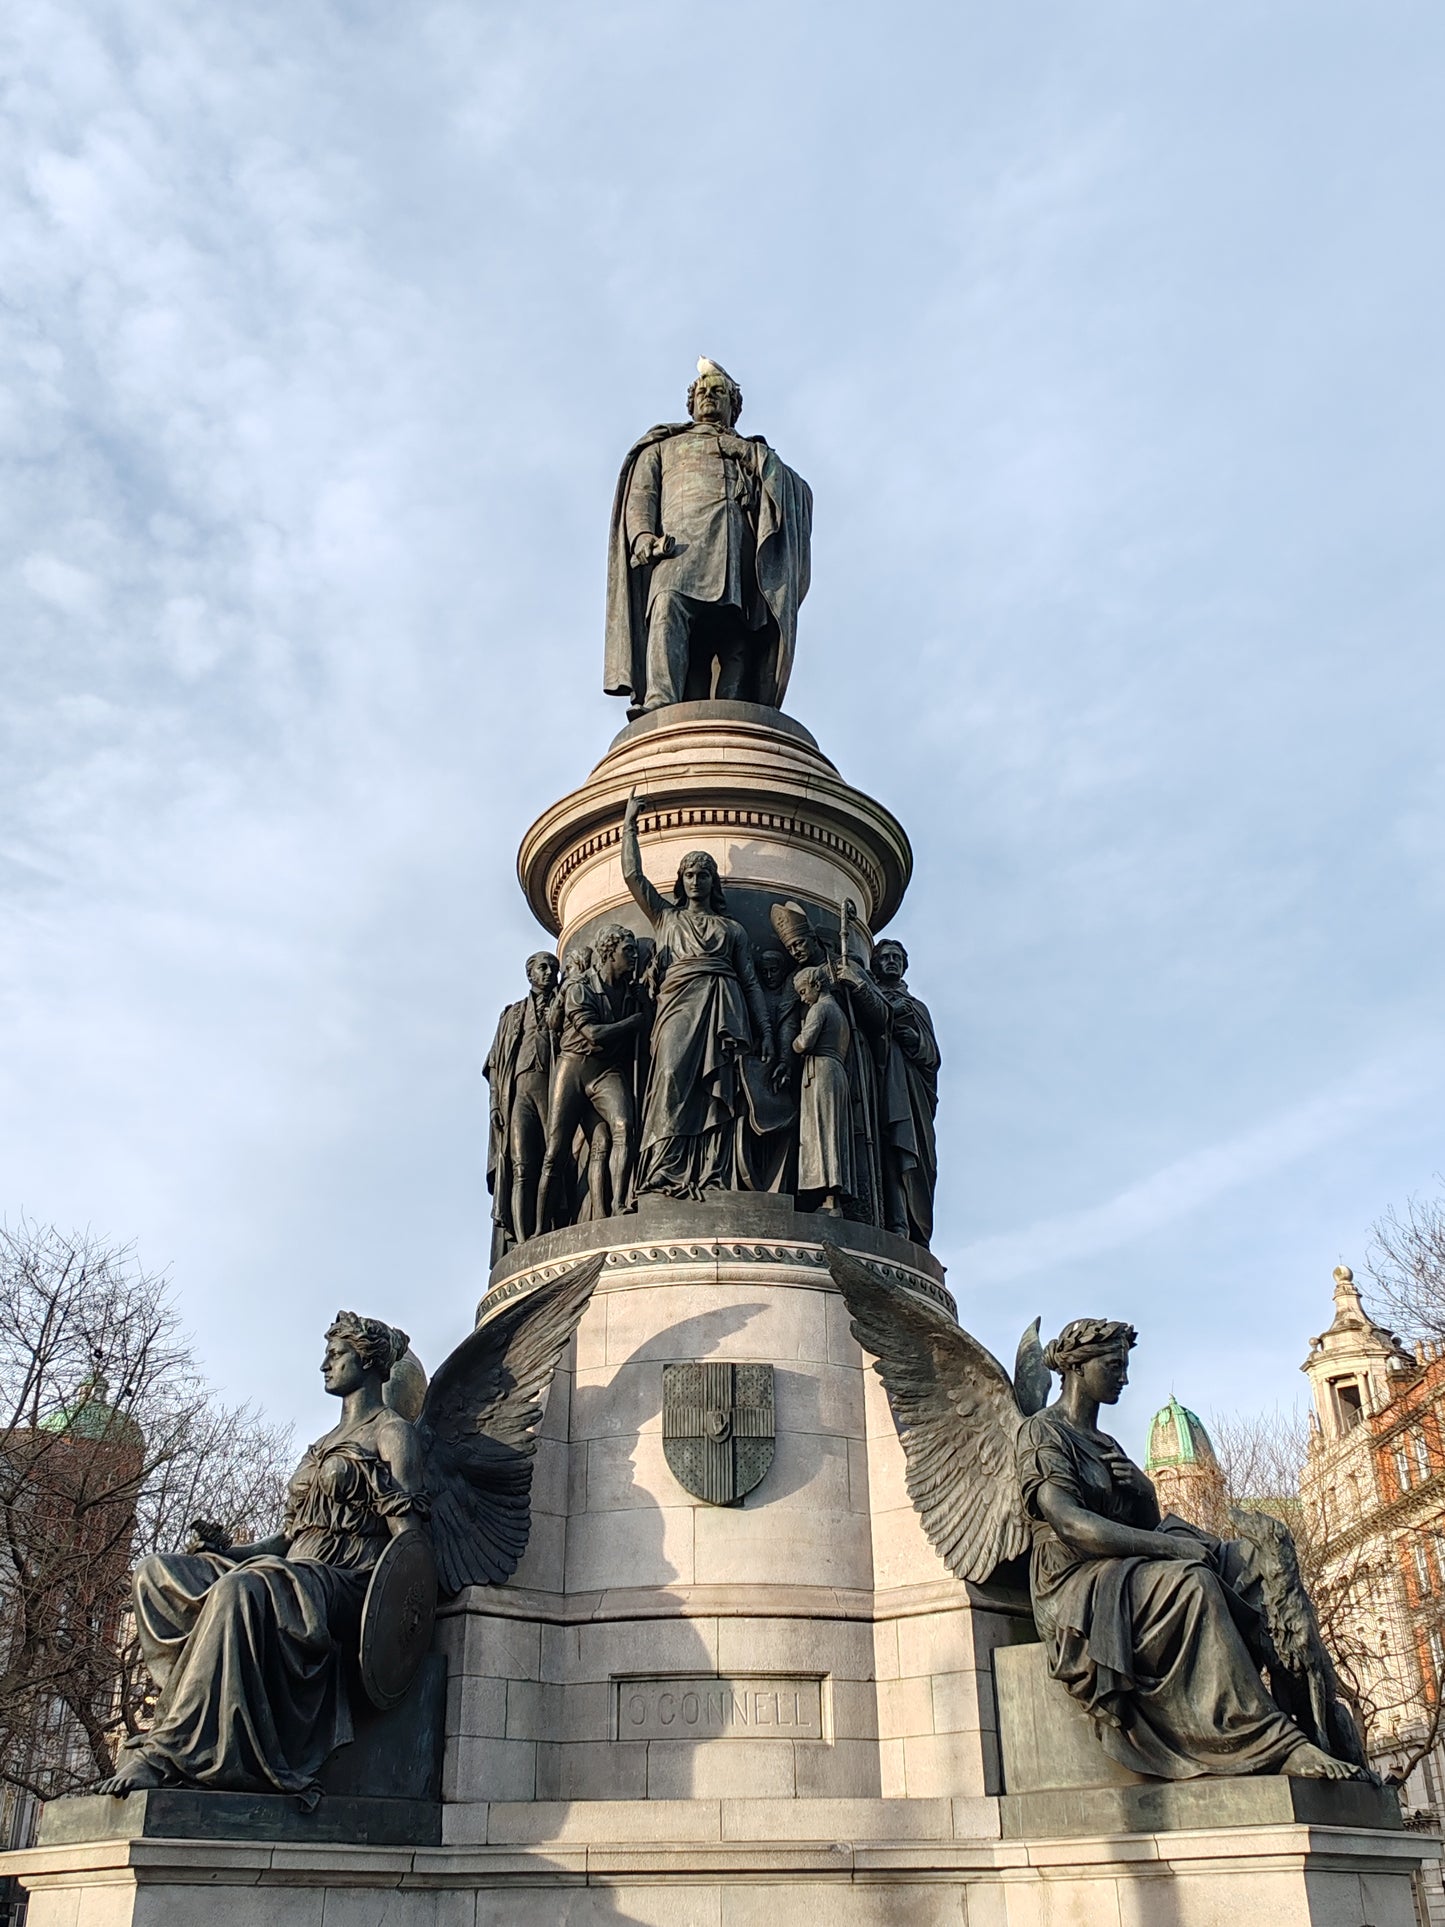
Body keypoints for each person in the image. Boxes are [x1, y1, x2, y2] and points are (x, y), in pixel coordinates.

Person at [97, 1314, 427, 1802]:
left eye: (336, 1355)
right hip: (292, 1569)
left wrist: (385, 1497)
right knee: (156, 1573)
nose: (324, 1365)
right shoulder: (322, 1446)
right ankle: (190, 1715)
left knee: (242, 1589)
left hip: (344, 1580)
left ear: (369, 1361)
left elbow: (410, 1548)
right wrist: (227, 1551)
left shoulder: (393, 1433)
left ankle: (170, 1754)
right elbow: (288, 1539)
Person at [1018, 1318, 1357, 1780]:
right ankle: (1267, 1741)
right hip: (1075, 1583)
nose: (1125, 1377)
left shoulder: (1106, 1443)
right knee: (1192, 1582)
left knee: (1253, 1564)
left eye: (1125, 1366)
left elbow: (1143, 1524)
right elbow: (1070, 1523)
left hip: (1123, 1570)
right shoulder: (1043, 1433)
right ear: (1078, 1368)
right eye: (1114, 1365)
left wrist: (1144, 1493)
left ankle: (1316, 1723)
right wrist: (1168, 1548)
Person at [604, 359, 812, 715]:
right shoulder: (663, 447)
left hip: (737, 558)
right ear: (691, 402)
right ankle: (660, 701)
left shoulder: (754, 452)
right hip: (678, 553)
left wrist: (750, 454)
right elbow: (642, 498)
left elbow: (798, 493)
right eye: (702, 391)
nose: (709, 396)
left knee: (738, 640)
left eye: (718, 391)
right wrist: (641, 538)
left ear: (734, 405)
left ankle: (736, 715)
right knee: (667, 607)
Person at [622, 789, 773, 1197]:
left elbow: (752, 982)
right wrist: (629, 824)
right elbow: (633, 877)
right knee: (669, 1076)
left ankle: (711, 1172)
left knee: (719, 1089)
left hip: (723, 1006)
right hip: (677, 1008)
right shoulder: (666, 918)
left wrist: (767, 1031)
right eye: (689, 874)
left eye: (703, 874)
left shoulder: (732, 931)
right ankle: (663, 1171)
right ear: (681, 881)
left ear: (712, 881)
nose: (695, 881)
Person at [535, 923, 647, 1227]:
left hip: (605, 1071)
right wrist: (633, 1021)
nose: (634, 956)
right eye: (628, 951)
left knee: (623, 1125)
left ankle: (619, 1203)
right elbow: (593, 1033)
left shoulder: (629, 991)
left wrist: (642, 1005)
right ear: (609, 952)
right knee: (555, 1153)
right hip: (574, 1068)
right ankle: (538, 1229)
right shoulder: (578, 986)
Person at [483, 952, 561, 1257]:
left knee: (551, 1161)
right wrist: (494, 1106)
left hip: (552, 1090)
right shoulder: (513, 1015)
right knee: (521, 1166)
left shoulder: (565, 1003)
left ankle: (549, 1225)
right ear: (529, 975)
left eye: (553, 968)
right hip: (519, 1095)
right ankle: (522, 1238)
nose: (549, 973)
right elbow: (494, 1066)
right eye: (543, 968)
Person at [863, 939, 940, 1245]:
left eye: (897, 957)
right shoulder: (871, 998)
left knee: (910, 1152)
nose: (891, 962)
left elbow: (932, 1056)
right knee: (887, 1149)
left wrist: (913, 1040)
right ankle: (893, 1223)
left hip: (908, 1087)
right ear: (875, 964)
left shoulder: (917, 1008)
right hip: (879, 1083)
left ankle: (909, 1224)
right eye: (884, 957)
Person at [735, 946, 801, 1193]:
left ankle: (780, 1184)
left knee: (783, 1121)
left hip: (779, 1072)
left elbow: (789, 1027)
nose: (770, 975)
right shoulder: (753, 999)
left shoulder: (787, 999)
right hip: (751, 1070)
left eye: (775, 970)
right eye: (765, 971)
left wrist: (785, 1060)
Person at [791, 965, 853, 1214]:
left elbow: (804, 1043)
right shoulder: (839, 1012)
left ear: (817, 985)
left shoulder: (820, 1008)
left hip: (821, 1073)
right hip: (836, 1072)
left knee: (822, 1132)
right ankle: (832, 1196)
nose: (803, 998)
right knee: (833, 1131)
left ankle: (828, 1197)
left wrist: (794, 1039)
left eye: (804, 991)